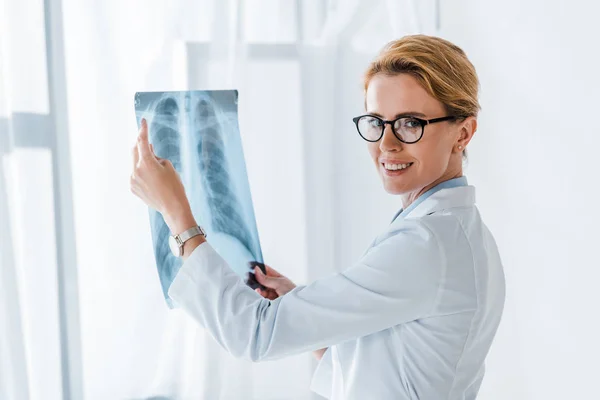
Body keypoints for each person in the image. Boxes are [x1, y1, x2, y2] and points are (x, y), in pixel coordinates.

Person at [130, 34, 506, 400]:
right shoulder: (458, 233)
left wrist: (177, 216)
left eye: (411, 123)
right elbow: (395, 370)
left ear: (463, 132)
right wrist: (308, 315)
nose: (386, 144)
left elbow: (255, 334)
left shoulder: (427, 244)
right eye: (376, 122)